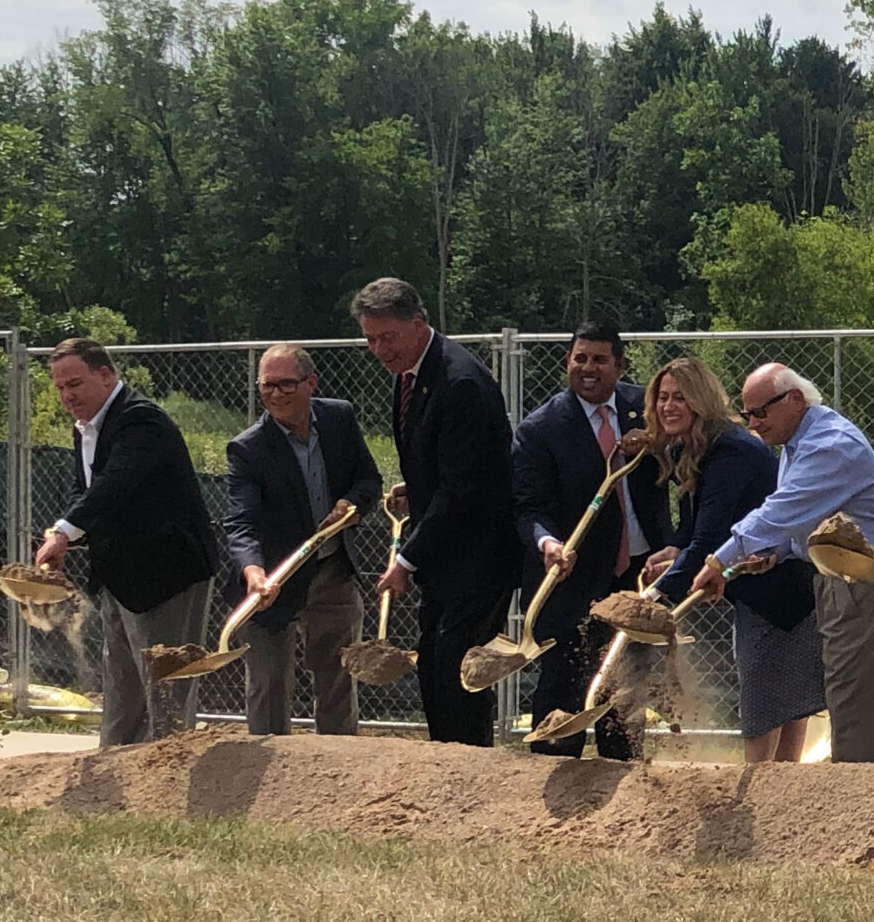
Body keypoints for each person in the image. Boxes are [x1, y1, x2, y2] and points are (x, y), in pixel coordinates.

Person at [692, 363, 874, 762]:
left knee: (859, 701)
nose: (755, 423)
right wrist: (777, 553)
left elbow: (780, 511)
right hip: (836, 574)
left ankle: (864, 803)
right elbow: (805, 520)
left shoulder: (831, 444)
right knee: (848, 696)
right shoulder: (799, 442)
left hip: (870, 575)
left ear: (795, 399)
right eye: (748, 415)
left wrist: (719, 559)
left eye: (762, 411)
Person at [351, 276, 519, 748]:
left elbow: (465, 488)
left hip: (479, 554)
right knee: (434, 661)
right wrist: (418, 486)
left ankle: (466, 767)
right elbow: (448, 464)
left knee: (455, 664)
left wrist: (404, 560)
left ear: (418, 323)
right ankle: (447, 760)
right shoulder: (413, 374)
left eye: (388, 337)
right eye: (370, 339)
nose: (380, 350)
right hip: (445, 553)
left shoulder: (459, 380)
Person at [31, 338, 224, 746]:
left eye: (75, 384)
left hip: (167, 574)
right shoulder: (86, 426)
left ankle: (167, 771)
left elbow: (115, 483)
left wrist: (65, 533)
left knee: (166, 684)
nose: (67, 396)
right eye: (60, 388)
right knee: (121, 684)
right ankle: (115, 764)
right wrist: (59, 532)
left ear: (106, 375)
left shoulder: (141, 420)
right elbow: (81, 491)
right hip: (119, 575)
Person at [643, 357, 824, 763]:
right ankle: (778, 794)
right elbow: (694, 531)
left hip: (782, 588)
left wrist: (654, 598)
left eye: (680, 398)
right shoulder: (692, 448)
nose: (668, 407)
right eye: (662, 398)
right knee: (779, 698)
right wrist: (675, 551)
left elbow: (710, 539)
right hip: (753, 587)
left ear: (701, 401)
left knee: (767, 703)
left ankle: (765, 795)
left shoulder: (730, 452)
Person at [511, 322, 671, 760]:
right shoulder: (540, 429)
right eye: (579, 358)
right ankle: (551, 792)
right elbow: (528, 509)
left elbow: (687, 458)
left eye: (599, 359)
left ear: (619, 365)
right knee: (563, 688)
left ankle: (621, 790)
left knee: (626, 690)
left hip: (636, 578)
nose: (588, 368)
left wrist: (658, 445)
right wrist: (548, 544)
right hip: (570, 582)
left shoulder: (651, 409)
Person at [222, 343, 383, 737]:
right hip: (274, 578)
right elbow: (241, 522)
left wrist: (351, 503)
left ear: (311, 383)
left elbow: (369, 480)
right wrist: (254, 573)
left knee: (338, 678)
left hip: (332, 570)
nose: (275, 395)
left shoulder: (339, 418)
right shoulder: (247, 449)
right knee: (270, 685)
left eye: (285, 385)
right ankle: (272, 775)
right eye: (266, 386)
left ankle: (337, 768)